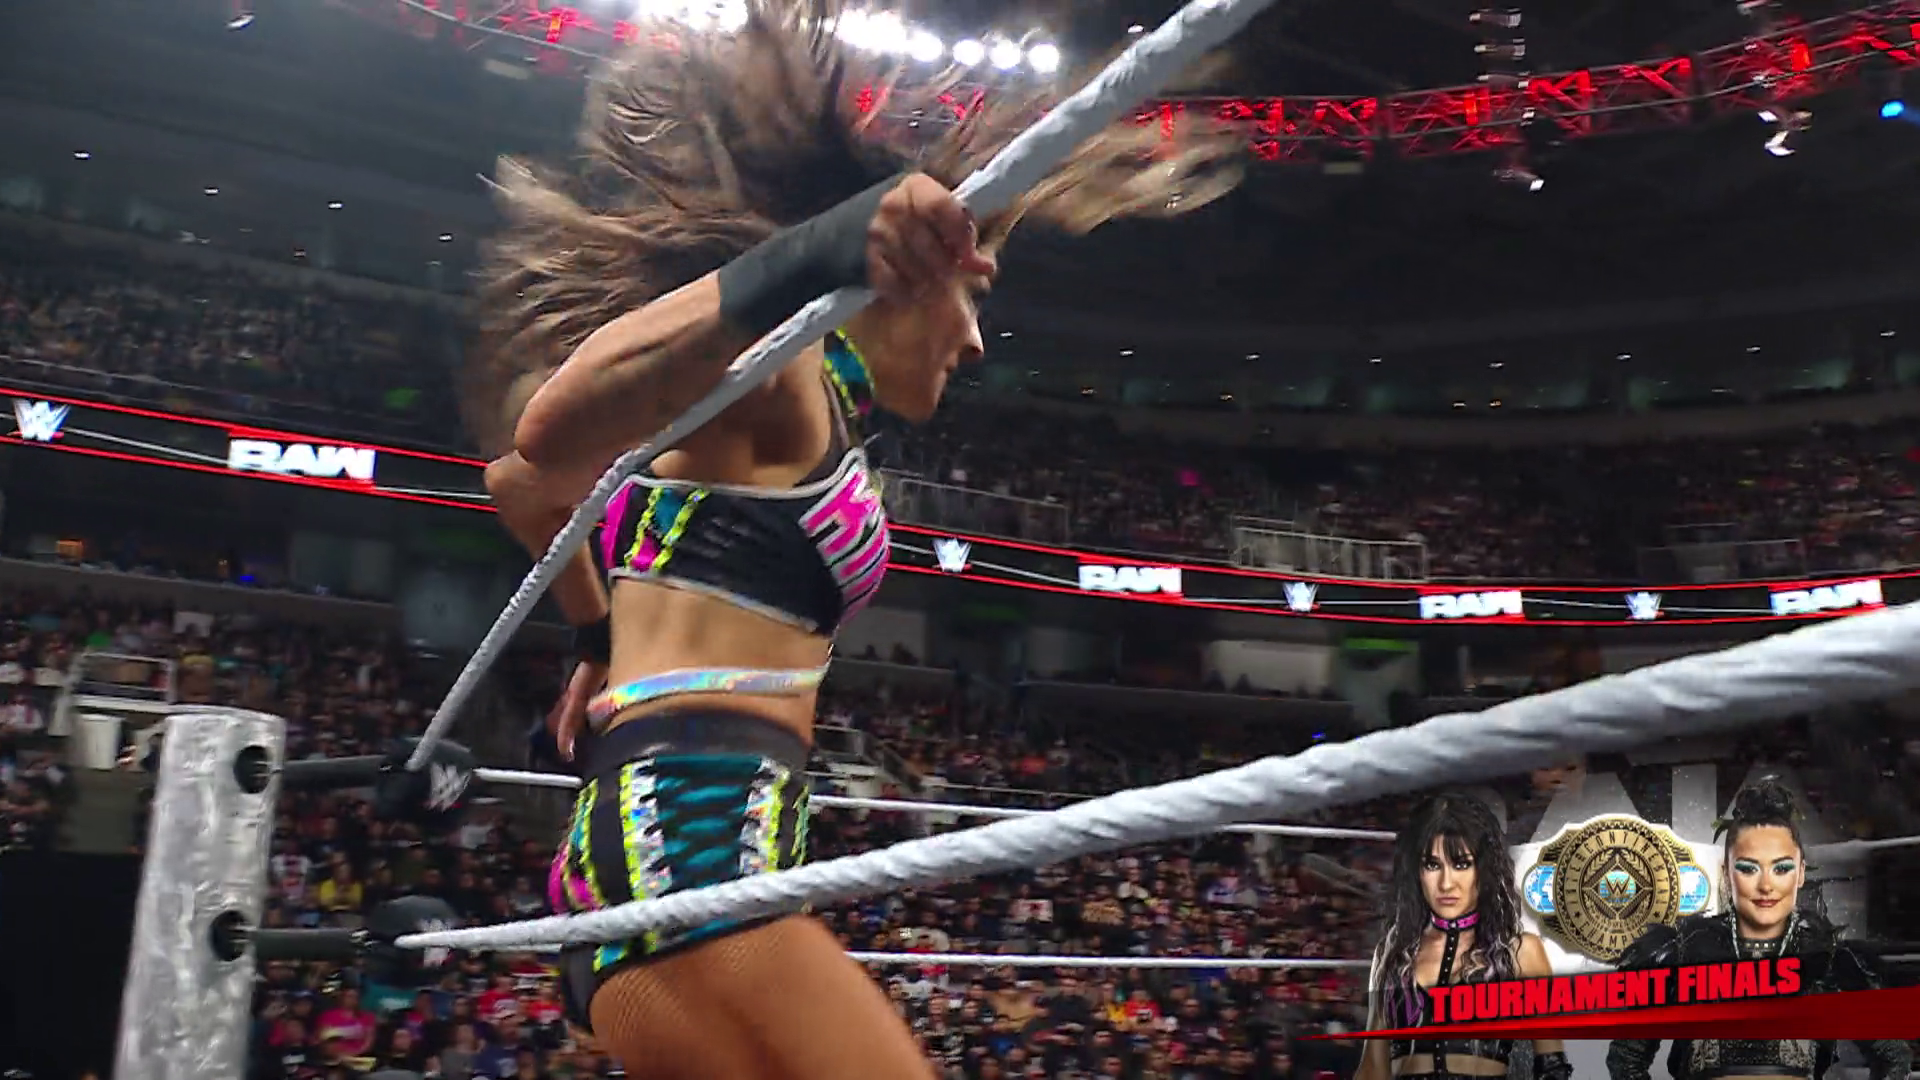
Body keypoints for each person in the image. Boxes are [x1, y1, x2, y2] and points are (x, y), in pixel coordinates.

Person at [468, 2, 1240, 1075]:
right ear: (896, 278)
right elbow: (544, 438)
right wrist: (822, 250)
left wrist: (601, 640)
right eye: (970, 297)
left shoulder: (798, 404)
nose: (975, 341)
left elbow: (520, 491)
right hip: (691, 861)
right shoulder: (782, 377)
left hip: (665, 855)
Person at [1605, 777, 1911, 1080]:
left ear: (1801, 873)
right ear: (1727, 873)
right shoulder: (1682, 953)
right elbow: (1625, 1062)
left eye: (1781, 868)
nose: (1766, 885)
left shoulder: (1829, 961)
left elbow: (1893, 1057)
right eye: (1749, 868)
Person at [1354, 793, 1570, 1080]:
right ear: (1416, 872)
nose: (1446, 884)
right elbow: (1372, 1069)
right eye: (1432, 865)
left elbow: (1552, 1068)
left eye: (1461, 864)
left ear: (1484, 868)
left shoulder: (1521, 952)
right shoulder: (1393, 953)